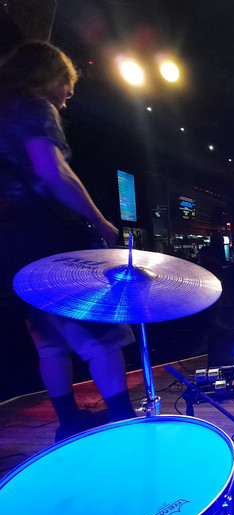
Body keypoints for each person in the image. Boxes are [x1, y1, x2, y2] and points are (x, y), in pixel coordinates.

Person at [0, 41, 136, 441]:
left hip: (12, 252)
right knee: (103, 337)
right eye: (65, 85)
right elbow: (52, 170)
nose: (67, 96)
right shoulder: (34, 108)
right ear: (46, 78)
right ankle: (125, 422)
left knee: (50, 344)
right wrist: (100, 222)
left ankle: (69, 422)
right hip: (49, 246)